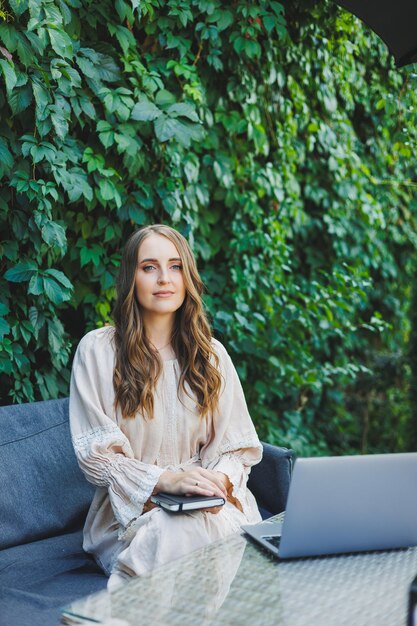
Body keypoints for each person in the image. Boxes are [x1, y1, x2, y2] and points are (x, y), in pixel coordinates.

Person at [69, 224, 262, 590]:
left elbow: (237, 449)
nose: (164, 279)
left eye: (175, 266)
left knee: (199, 522)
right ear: (131, 277)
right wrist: (166, 481)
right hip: (129, 514)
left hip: (206, 503)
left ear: (188, 277)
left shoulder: (212, 356)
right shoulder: (97, 351)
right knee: (175, 526)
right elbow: (97, 457)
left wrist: (214, 482)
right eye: (149, 267)